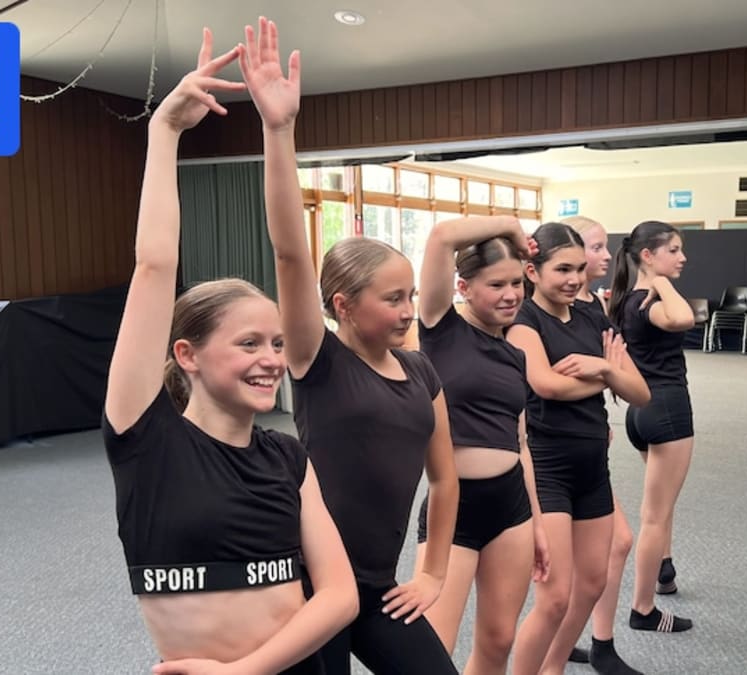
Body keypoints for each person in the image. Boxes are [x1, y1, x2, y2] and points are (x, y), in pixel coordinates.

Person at [101, 27, 357, 675]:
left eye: (276, 341)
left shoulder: (285, 454)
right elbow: (155, 264)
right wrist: (165, 133)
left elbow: (339, 594)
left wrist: (279, 130)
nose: (273, 357)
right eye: (249, 342)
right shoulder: (145, 438)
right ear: (186, 354)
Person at [244, 17, 460, 675]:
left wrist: (432, 573)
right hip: (308, 585)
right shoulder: (318, 361)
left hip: (375, 584)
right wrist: (278, 130)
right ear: (342, 306)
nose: (407, 309)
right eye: (391, 299)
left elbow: (445, 477)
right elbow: (287, 248)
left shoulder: (422, 370)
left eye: (409, 295)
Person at [507, 223, 651, 675]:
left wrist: (602, 371)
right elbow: (545, 386)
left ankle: (552, 669)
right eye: (562, 269)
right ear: (532, 270)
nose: (574, 278)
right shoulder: (524, 322)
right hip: (548, 470)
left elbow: (639, 391)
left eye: (578, 268)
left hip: (593, 466)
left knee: (591, 584)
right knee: (554, 599)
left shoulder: (592, 317)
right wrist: (605, 373)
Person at [414, 215, 550, 674]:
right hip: (453, 507)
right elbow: (440, 237)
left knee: (498, 639)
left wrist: (537, 520)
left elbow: (520, 442)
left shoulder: (515, 355)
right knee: (432, 648)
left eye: (517, 282)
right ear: (464, 286)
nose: (512, 294)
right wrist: (511, 227)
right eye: (496, 284)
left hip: (510, 507)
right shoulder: (439, 329)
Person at [607, 220, 697, 638]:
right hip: (667, 413)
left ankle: (665, 571)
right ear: (648, 255)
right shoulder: (651, 302)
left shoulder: (626, 299)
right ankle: (643, 609)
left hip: (639, 415)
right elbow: (683, 318)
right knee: (655, 515)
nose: (682, 258)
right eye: (673, 250)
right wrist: (663, 285)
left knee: (663, 502)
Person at [560, 216, 641, 674]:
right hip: (546, 451)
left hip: (590, 441)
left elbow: (623, 373)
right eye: (596, 247)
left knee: (604, 547)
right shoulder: (541, 312)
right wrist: (604, 378)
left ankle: (592, 639)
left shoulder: (594, 307)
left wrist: (608, 382)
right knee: (617, 540)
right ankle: (594, 641)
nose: (606, 256)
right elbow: (543, 384)